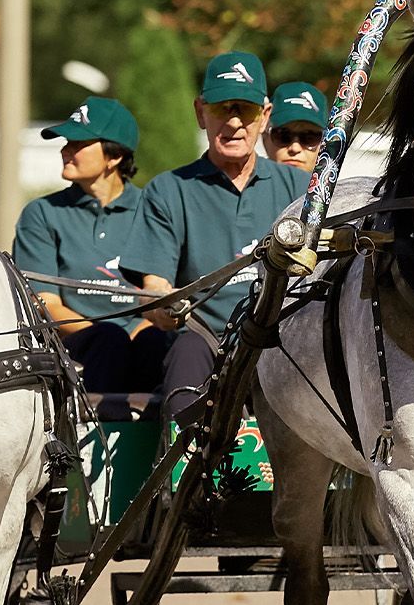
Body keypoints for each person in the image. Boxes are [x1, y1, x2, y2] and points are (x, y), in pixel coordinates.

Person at [120, 52, 308, 425]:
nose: (235, 122)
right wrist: (163, 305)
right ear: (200, 112)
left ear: (265, 116)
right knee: (186, 359)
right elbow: (152, 288)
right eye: (223, 108)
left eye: (247, 110)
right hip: (204, 337)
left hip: (284, 338)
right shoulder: (168, 191)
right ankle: (185, 476)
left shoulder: (301, 190)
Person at [13, 96, 170, 394]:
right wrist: (105, 335)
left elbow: (166, 290)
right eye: (66, 142)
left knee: (159, 344)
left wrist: (137, 332)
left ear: (114, 157)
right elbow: (45, 304)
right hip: (76, 346)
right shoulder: (42, 214)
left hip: (144, 337)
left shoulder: (155, 210)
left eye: (78, 144)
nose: (65, 150)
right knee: (109, 342)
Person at [264, 81, 328, 174]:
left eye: (310, 138)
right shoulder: (240, 186)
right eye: (283, 136)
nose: (295, 148)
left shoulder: (345, 187)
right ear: (264, 137)